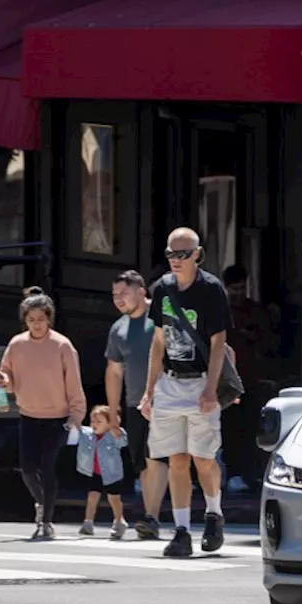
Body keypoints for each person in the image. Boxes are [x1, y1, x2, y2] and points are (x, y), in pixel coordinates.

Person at [138, 228, 234, 558]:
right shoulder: (162, 289)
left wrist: (210, 390)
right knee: (176, 459)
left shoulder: (211, 290)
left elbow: (218, 342)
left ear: (197, 255)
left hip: (200, 381)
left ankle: (213, 513)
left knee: (203, 459)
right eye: (170, 255)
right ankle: (181, 531)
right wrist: (149, 391)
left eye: (182, 254)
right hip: (170, 381)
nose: (175, 261)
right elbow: (159, 342)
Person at [0, 287, 87, 540]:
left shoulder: (62, 345)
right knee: (27, 469)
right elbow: (7, 377)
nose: (37, 325)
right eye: (31, 320)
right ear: (25, 320)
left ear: (49, 319)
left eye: (41, 319)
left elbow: (74, 382)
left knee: (47, 466)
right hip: (29, 415)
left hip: (58, 418)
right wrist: (3, 380)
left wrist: (76, 415)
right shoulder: (16, 344)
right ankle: (42, 505)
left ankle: (46, 521)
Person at [104, 270, 168, 539]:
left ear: (141, 291)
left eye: (124, 293)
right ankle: (149, 516)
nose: (119, 300)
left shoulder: (163, 317)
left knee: (157, 458)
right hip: (133, 402)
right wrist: (113, 410)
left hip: (166, 398)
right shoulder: (118, 329)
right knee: (142, 462)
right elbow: (115, 371)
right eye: (115, 295)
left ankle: (151, 516)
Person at [220, 264, 276, 493]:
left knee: (250, 428)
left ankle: (247, 473)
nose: (238, 293)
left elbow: (268, 341)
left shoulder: (255, 311)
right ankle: (231, 472)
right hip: (227, 381)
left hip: (251, 379)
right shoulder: (220, 312)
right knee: (229, 429)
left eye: (242, 288)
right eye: (234, 289)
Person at [75, 405, 129, 539]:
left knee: (114, 497)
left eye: (99, 422)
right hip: (95, 472)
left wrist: (115, 426)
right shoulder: (87, 434)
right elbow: (76, 429)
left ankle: (119, 520)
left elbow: (123, 441)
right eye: (93, 421)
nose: (94, 425)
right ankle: (88, 523)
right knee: (92, 496)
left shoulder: (113, 435)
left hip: (112, 473)